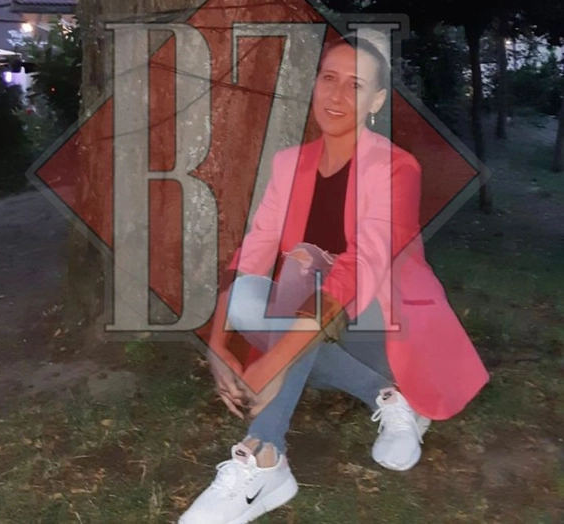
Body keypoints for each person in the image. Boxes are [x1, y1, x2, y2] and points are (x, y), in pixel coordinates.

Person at [179, 34, 489, 524]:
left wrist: (271, 362)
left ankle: (265, 455)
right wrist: (217, 342)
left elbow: (358, 270)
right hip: (317, 315)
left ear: (377, 101)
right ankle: (386, 395)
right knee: (252, 296)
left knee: (303, 281)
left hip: (385, 322)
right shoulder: (289, 164)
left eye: (356, 84)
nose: (337, 94)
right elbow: (254, 249)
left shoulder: (397, 168)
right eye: (329, 78)